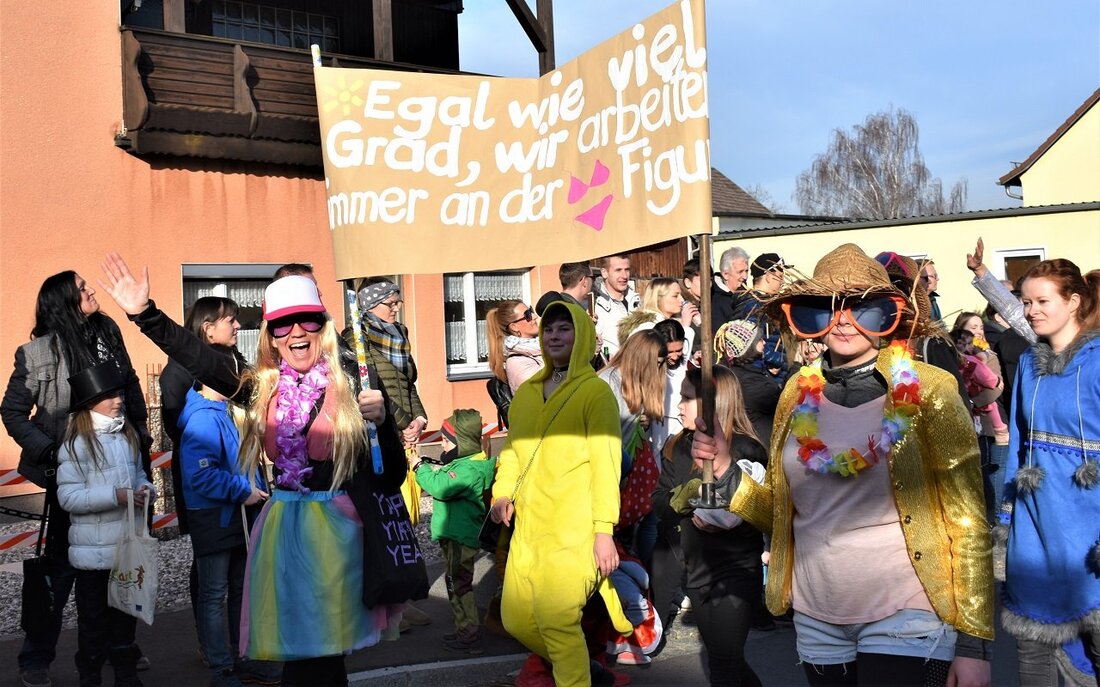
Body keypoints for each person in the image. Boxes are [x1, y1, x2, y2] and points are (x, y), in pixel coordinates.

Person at [98, 255, 409, 687]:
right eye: (283, 324)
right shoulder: (263, 387)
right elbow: (200, 358)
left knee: (321, 651)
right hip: (286, 530)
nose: (296, 332)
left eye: (306, 321)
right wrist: (145, 315)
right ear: (272, 336)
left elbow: (390, 474)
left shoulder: (354, 381)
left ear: (322, 325)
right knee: (306, 649)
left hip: (340, 534)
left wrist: (383, 423)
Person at [694, 244, 992, 687]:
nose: (844, 321)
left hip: (906, 612)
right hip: (816, 616)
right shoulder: (797, 392)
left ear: (890, 315)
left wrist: (973, 644)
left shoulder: (930, 389)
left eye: (865, 309)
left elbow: (967, 519)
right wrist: (723, 467)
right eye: (823, 310)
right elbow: (781, 514)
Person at [2, 270, 151, 687]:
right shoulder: (37, 353)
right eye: (82, 288)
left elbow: (131, 383)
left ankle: (121, 648)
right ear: (63, 302)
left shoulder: (107, 331)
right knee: (63, 570)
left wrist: (141, 433)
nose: (91, 290)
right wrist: (49, 451)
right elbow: (12, 412)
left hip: (121, 463)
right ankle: (37, 657)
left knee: (123, 559)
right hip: (70, 479)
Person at [489, 301, 631, 687]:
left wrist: (604, 532)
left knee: (556, 620)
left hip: (575, 531)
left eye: (564, 328)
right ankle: (587, 671)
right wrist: (501, 494)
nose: (553, 334)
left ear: (582, 335)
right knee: (515, 618)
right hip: (530, 530)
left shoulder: (595, 394)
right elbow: (515, 452)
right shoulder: (528, 393)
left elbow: (607, 467)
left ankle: (579, 675)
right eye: (548, 328)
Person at [998, 259, 1100, 686]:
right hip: (1036, 522)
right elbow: (1018, 445)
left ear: (1073, 301)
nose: (1032, 310)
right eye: (1026, 302)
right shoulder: (1027, 363)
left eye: (1042, 301)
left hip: (1090, 521)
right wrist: (1006, 521)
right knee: (1033, 655)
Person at [654, 365, 767, 687]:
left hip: (735, 570)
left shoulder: (748, 449)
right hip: (695, 569)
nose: (678, 407)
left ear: (712, 405)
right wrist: (687, 499)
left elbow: (760, 511)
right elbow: (658, 501)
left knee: (723, 666)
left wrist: (729, 516)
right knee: (729, 660)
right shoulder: (677, 446)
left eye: (687, 399)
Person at [56, 362, 155, 687]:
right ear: (90, 402)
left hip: (125, 551)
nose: (119, 399)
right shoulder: (77, 443)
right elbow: (69, 498)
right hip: (92, 559)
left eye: (119, 393)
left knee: (125, 621)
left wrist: (144, 491)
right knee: (94, 626)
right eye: (110, 394)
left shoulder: (126, 436)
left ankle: (126, 676)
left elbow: (140, 476)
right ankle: (91, 677)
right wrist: (116, 495)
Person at [177, 349, 273, 687]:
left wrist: (253, 487)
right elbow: (201, 475)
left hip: (231, 514)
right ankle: (222, 666)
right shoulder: (204, 417)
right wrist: (243, 490)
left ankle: (240, 658)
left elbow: (237, 462)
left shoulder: (222, 411)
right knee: (215, 593)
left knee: (235, 590)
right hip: (216, 516)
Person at [158, 296, 244, 662]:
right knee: (210, 572)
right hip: (209, 483)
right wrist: (216, 440)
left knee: (235, 574)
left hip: (238, 479)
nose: (238, 326)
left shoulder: (236, 359)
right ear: (208, 328)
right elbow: (180, 426)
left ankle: (237, 649)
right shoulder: (182, 369)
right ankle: (211, 649)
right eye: (231, 320)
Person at [411, 409, 495, 655]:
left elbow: (440, 487)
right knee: (455, 582)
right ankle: (464, 629)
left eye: (447, 440)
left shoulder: (468, 470)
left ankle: (470, 634)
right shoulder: (466, 463)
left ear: (463, 442)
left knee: (459, 585)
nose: (443, 444)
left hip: (460, 537)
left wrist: (419, 467)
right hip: (456, 535)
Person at [598, 329, 668, 570]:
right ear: (641, 359)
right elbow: (604, 433)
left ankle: (648, 578)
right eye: (656, 364)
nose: (659, 371)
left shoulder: (631, 379)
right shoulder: (608, 382)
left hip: (625, 467)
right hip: (612, 469)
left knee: (650, 517)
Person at [714, 320, 782, 448]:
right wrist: (797, 364)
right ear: (748, 347)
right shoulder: (748, 382)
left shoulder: (741, 372)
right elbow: (783, 403)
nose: (764, 342)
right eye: (760, 340)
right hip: (760, 449)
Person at [486, 300, 543, 394]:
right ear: (514, 327)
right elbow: (545, 391)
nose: (534, 316)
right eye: (527, 315)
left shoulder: (544, 345)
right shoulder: (516, 362)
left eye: (531, 311)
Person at [594, 255, 640, 361]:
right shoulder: (596, 307)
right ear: (604, 273)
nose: (624, 276)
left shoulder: (636, 301)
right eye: (618, 270)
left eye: (627, 270)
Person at [641, 277, 699, 355]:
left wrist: (693, 361)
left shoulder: (673, 321)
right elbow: (672, 359)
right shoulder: (648, 327)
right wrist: (685, 327)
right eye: (675, 296)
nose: (681, 300)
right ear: (658, 298)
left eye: (681, 295)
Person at [713, 247, 751, 327]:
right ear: (725, 274)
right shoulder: (715, 302)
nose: (745, 276)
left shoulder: (749, 297)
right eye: (740, 272)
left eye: (746, 271)